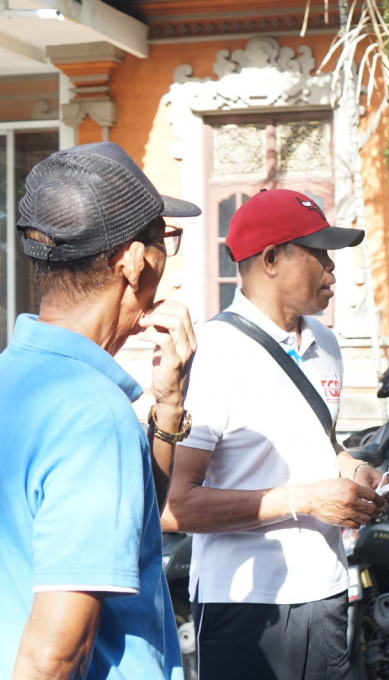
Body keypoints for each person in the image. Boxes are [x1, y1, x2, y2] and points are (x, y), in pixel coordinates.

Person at [161, 188, 386, 680]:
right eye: (320, 254)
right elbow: (176, 507)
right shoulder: (212, 353)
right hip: (245, 603)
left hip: (326, 590)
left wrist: (353, 468)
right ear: (270, 259)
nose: (333, 269)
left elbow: (320, 440)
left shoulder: (326, 343)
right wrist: (304, 500)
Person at [0, 141, 199, 679]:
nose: (165, 261)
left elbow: (132, 526)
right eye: (165, 241)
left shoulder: (12, 376)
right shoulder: (94, 415)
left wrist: (168, 406)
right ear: (133, 262)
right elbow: (55, 656)